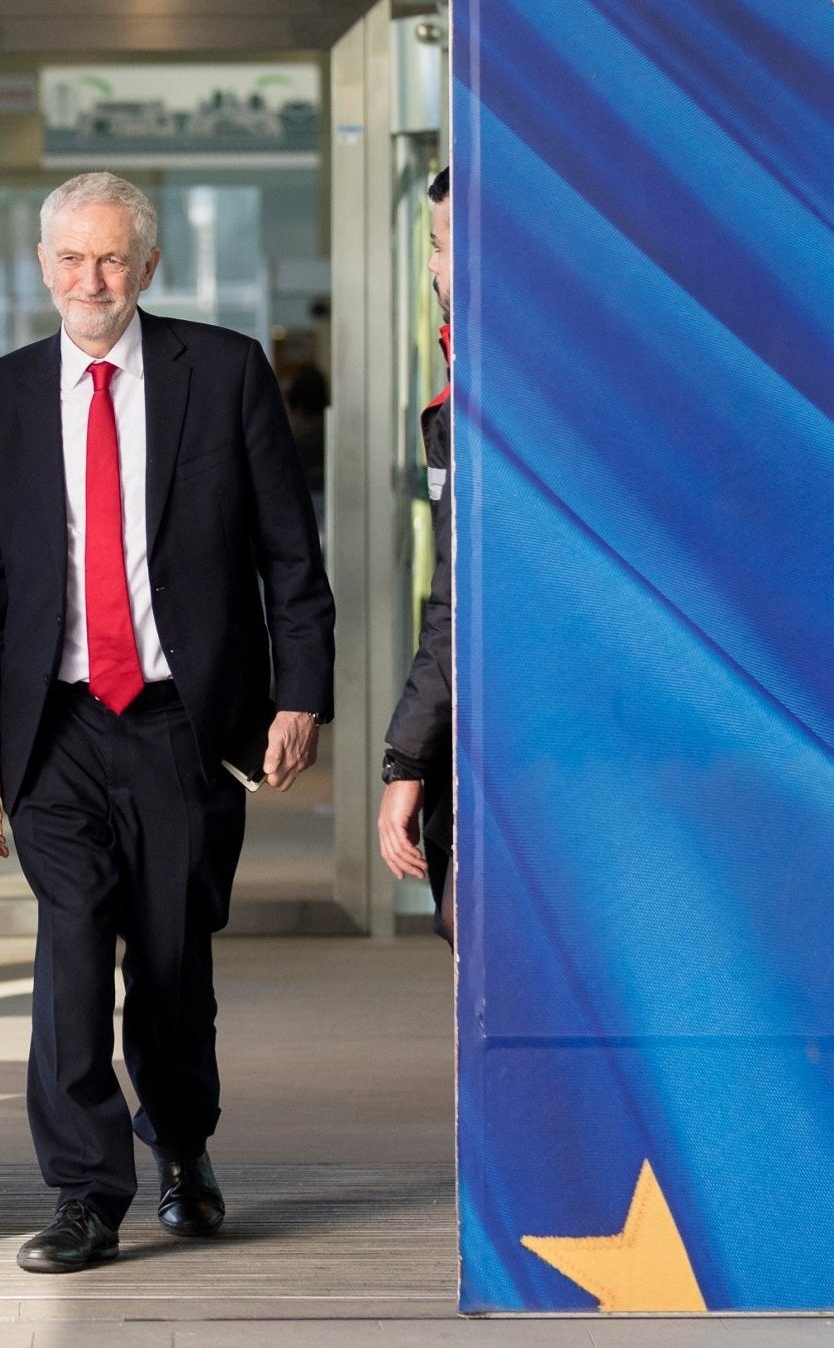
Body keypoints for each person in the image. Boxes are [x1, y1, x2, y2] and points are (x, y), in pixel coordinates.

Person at [0, 171, 336, 1273]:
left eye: (111, 257)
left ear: (148, 265)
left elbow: (287, 554)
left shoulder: (225, 372)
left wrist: (299, 691)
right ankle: (82, 1190)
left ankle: (183, 1142)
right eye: (71, 258)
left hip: (178, 720)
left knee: (169, 962)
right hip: (53, 729)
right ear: (42, 266)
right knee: (69, 953)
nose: (91, 279)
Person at [378, 166, 455, 944]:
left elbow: (461, 600)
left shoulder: (489, 401)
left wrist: (407, 758)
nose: (432, 266)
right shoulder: (455, 394)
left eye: (442, 246)